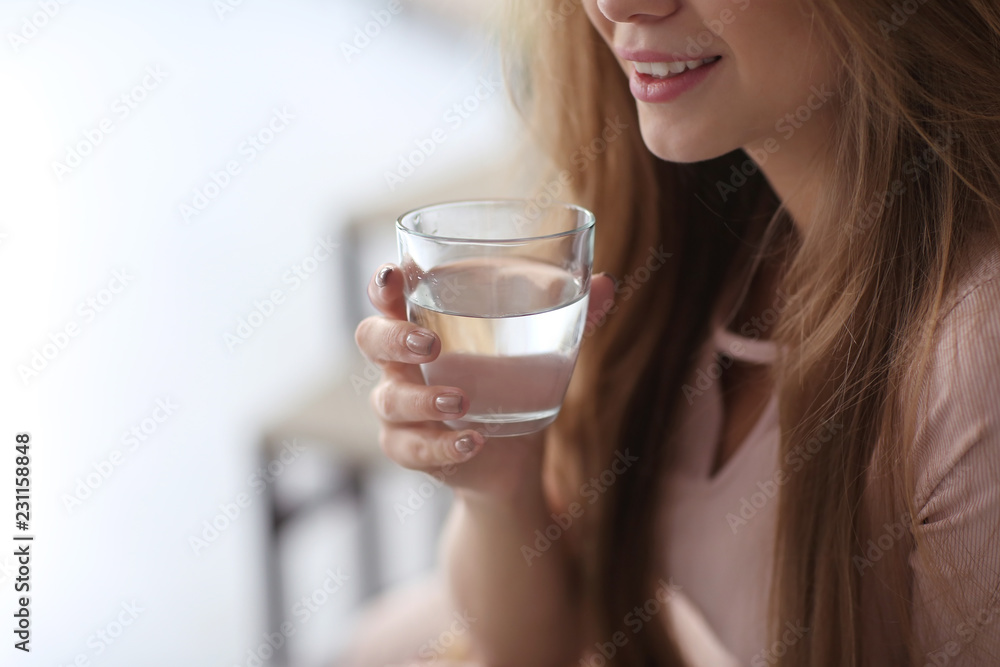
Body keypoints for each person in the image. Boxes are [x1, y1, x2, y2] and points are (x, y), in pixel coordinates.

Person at [349, 0, 1000, 665]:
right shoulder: (698, 237)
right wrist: (498, 482)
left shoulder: (974, 359)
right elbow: (534, 645)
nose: (615, 5)